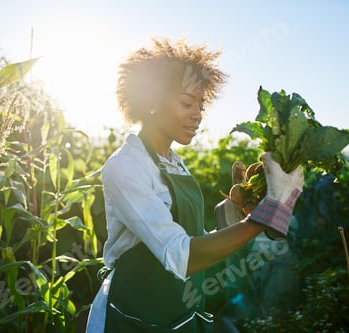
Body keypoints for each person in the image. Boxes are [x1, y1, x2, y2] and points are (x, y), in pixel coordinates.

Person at [86, 38, 304, 333]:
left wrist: (237, 211)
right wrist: (265, 215)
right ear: (151, 101)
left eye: (201, 104)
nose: (198, 114)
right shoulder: (125, 167)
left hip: (177, 312)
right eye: (187, 103)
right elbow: (180, 255)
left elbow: (193, 239)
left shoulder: (175, 162)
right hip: (133, 317)